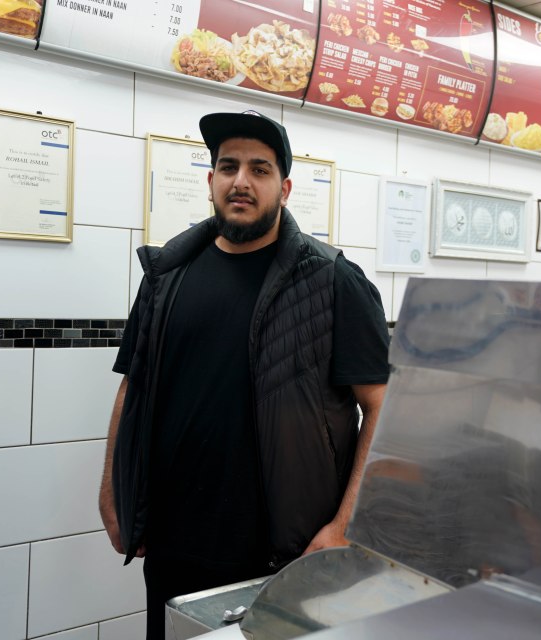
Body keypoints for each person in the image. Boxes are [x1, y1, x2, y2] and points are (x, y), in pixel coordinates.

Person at [98, 110, 390, 639]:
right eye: (228, 166)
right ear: (210, 181)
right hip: (173, 546)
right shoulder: (166, 276)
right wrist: (114, 491)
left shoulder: (332, 282)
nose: (241, 181)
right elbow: (132, 385)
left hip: (283, 554)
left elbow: (384, 407)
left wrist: (342, 526)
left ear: (285, 186)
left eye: (260, 169)